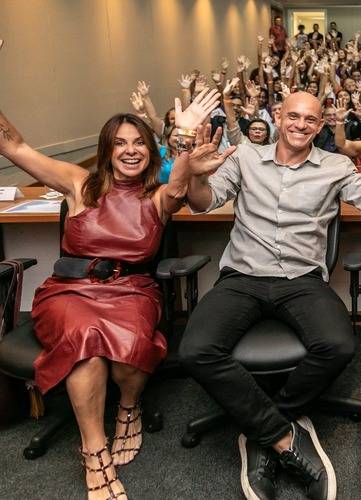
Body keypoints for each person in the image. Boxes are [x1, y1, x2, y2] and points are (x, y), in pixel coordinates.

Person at [178, 91, 361, 500]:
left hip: (301, 280)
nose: (301, 125)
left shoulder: (335, 166)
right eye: (294, 116)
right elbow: (202, 203)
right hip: (243, 276)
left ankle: (263, 430)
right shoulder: (245, 157)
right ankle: (285, 437)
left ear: (320, 127)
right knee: (195, 350)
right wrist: (195, 177)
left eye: (310, 120)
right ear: (279, 117)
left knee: (337, 346)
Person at [0, 88, 221, 499]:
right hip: (69, 292)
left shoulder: (157, 194)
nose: (130, 151)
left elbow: (178, 191)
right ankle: (94, 450)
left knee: (130, 345)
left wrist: (185, 137)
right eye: (120, 143)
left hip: (132, 290)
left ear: (150, 150)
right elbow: (13, 145)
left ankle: (128, 407)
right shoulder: (78, 182)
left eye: (138, 142)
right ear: (106, 150)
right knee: (85, 338)